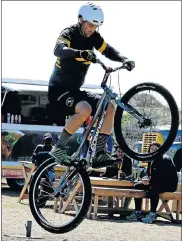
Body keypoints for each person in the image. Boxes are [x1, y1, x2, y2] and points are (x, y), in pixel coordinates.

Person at [48, 2, 135, 168]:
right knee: (85, 109)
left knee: (110, 107)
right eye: (90, 24)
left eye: (96, 26)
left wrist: (124, 59)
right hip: (58, 90)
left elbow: (108, 50)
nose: (92, 29)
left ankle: (99, 154)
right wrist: (80, 53)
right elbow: (58, 50)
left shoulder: (94, 37)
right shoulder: (69, 33)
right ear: (80, 20)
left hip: (75, 90)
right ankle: (59, 148)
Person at [126, 142, 178, 224]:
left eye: (155, 149)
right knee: (137, 186)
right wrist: (144, 179)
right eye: (151, 149)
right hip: (157, 182)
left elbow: (162, 177)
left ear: (160, 150)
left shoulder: (164, 159)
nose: (153, 151)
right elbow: (149, 174)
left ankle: (152, 214)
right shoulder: (151, 159)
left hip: (169, 184)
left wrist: (149, 182)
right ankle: (137, 213)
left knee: (153, 189)